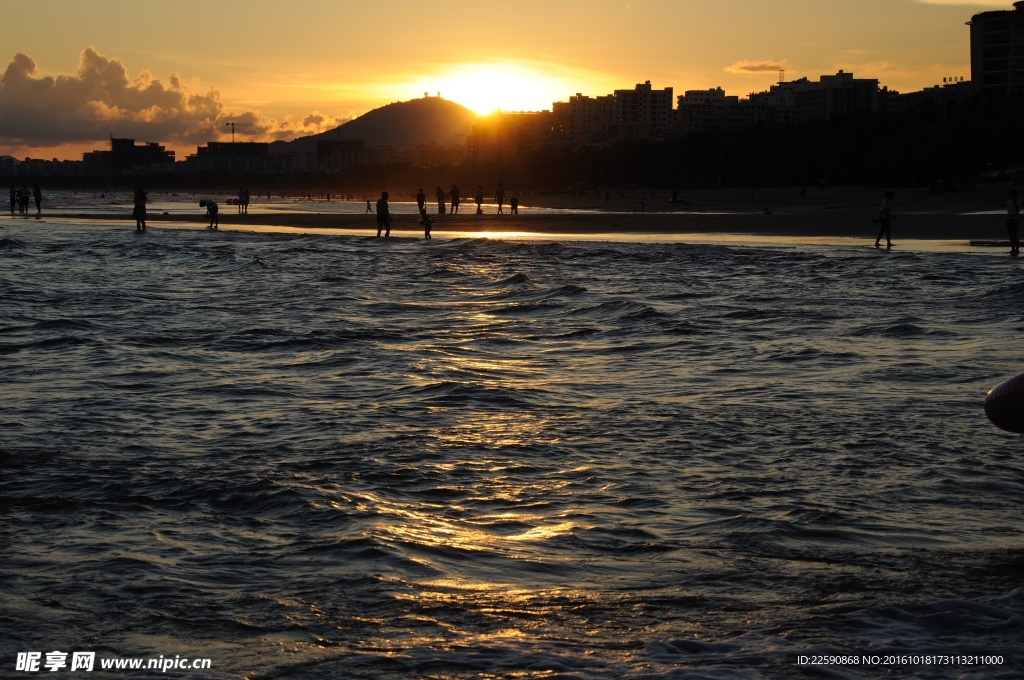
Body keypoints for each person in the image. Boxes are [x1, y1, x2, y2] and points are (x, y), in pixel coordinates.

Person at [1006, 188, 1020, 256]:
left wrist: (1006, 198)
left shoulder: (1008, 202)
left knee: (1011, 235)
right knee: (1016, 234)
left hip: (1010, 219)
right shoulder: (1019, 201)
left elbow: (1000, 205)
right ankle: (1017, 249)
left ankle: (1013, 249)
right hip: (1017, 219)